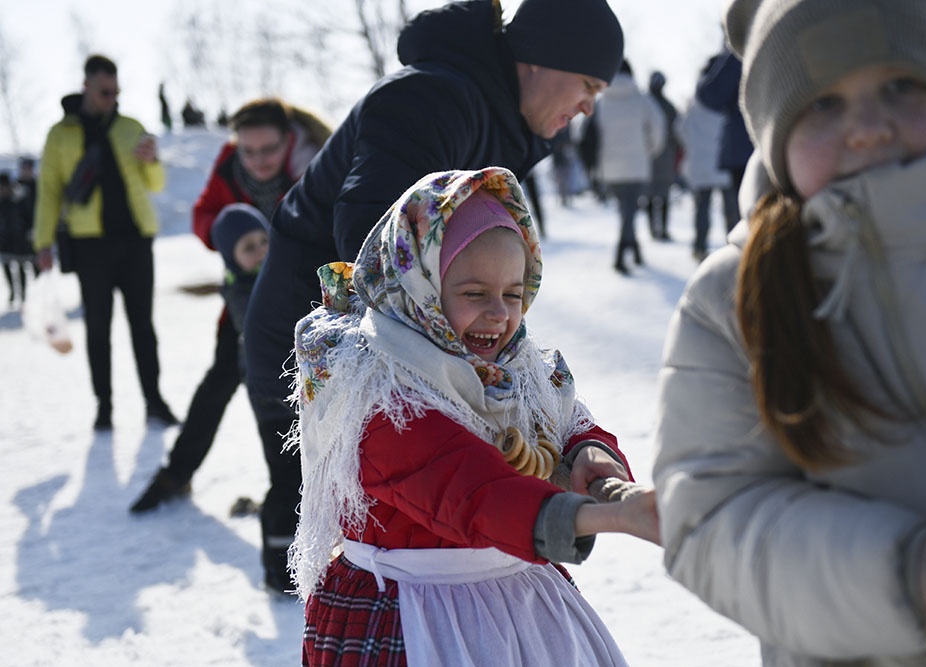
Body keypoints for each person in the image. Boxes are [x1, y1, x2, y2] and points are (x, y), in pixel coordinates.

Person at [653, 1, 926, 665]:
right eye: (822, 105)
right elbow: (711, 519)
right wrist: (905, 574)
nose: (868, 128)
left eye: (900, 85)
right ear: (772, 135)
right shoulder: (731, 302)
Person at [242, 0, 624, 595]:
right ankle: (289, 603)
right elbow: (371, 235)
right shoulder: (433, 99)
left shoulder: (494, 121)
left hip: (396, 347)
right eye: (588, 85)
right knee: (344, 525)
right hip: (321, 348)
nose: (587, 107)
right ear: (542, 60)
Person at [291, 167, 658, 665]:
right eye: (473, 294)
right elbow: (469, 491)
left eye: (513, 293)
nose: (500, 314)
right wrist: (608, 516)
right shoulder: (380, 391)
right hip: (413, 613)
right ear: (420, 289)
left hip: (518, 596)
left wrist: (591, 453)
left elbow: (567, 422)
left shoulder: (517, 369)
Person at [129, 98, 331, 514]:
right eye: (249, 151)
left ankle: (313, 498)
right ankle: (177, 473)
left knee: (306, 399)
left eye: (269, 150)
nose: (258, 160)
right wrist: (231, 230)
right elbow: (203, 217)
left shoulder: (316, 168)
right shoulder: (228, 165)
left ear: (288, 141)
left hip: (308, 307)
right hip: (245, 304)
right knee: (220, 381)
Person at [33, 54, 176, 431]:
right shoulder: (60, 134)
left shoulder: (131, 127)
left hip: (135, 240)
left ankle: (154, 402)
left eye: (115, 92)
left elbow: (156, 184)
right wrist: (42, 241)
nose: (111, 98)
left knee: (142, 325)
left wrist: (153, 160)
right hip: (89, 244)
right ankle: (104, 407)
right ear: (86, 87)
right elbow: (48, 191)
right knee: (98, 328)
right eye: (104, 92)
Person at [592, 58, 666, 274]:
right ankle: (620, 256)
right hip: (636, 165)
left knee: (627, 211)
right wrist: (650, 150)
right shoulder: (642, 99)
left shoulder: (603, 100)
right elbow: (658, 126)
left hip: (610, 167)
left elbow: (587, 131)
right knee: (629, 211)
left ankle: (635, 250)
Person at [695, 45, 753, 232]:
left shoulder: (742, 47)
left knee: (746, 215)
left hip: (743, 146)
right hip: (784, 144)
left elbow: (711, 95)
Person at [675, 97, 731, 263]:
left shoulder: (693, 107)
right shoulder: (727, 102)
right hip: (724, 163)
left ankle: (700, 246)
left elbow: (680, 130)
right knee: (731, 209)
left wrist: (694, 147)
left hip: (700, 165)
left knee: (702, 209)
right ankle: (734, 246)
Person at [644, 70, 681, 241]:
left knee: (650, 195)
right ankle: (663, 229)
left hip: (648, 156)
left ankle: (653, 228)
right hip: (666, 157)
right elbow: (678, 133)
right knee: (664, 195)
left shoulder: (644, 104)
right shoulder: (670, 107)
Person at [0, 172, 34, 306]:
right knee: (7, 265)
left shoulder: (19, 198)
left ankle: (23, 293)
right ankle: (13, 291)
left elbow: (28, 215)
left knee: (21, 266)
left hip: (20, 238)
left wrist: (29, 231)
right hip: (4, 240)